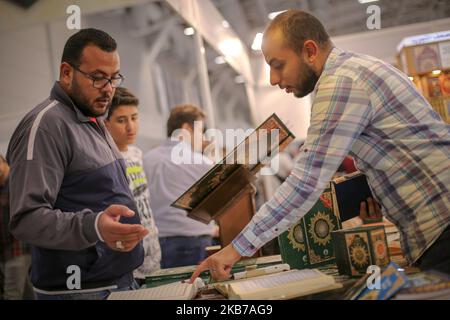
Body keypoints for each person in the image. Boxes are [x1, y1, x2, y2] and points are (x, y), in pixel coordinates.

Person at [191, 9, 450, 282]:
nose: (272, 79)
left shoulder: (340, 82)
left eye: (278, 65)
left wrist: (235, 250)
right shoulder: (357, 68)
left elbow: (304, 183)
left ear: (310, 51)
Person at [6, 28, 148, 300]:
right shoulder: (46, 127)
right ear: (67, 73)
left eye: (113, 78)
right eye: (97, 78)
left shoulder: (94, 120)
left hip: (116, 281)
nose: (108, 89)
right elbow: (26, 219)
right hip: (79, 290)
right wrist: (93, 226)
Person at [143, 104, 218, 268]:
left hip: (157, 243)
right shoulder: (201, 162)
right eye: (200, 131)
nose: (202, 138)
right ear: (186, 129)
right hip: (194, 242)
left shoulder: (146, 160)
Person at [105, 87, 161, 284]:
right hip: (128, 263)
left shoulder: (136, 153)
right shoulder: (106, 159)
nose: (131, 126)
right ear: (106, 123)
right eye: (121, 120)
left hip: (152, 253)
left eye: (134, 118)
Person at [0, 155, 33, 300]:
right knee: (28, 294)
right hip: (5, 252)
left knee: (11, 295)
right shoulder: (1, 187)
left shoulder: (18, 182)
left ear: (2, 160)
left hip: (18, 250)